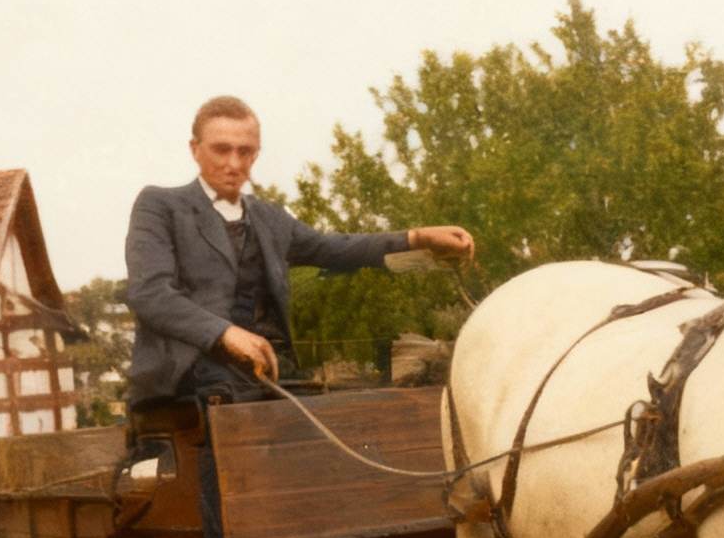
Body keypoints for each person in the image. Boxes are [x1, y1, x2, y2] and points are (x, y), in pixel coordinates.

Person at [123, 94, 474, 406]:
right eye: (221, 149)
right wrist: (224, 334)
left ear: (256, 153)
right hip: (192, 373)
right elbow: (151, 293)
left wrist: (417, 238)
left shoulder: (269, 217)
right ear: (195, 148)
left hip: (271, 368)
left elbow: (336, 249)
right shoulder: (160, 205)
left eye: (244, 151)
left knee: (357, 409)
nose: (233, 163)